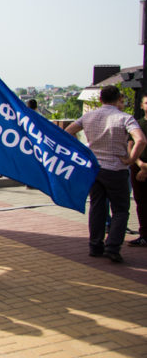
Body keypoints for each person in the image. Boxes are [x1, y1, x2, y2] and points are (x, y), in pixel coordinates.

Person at [65, 85, 146, 262]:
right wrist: (131, 159)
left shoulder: (88, 116)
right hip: (116, 168)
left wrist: (81, 152)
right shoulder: (125, 118)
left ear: (100, 99)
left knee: (97, 207)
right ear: (118, 100)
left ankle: (95, 245)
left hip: (95, 168)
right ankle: (113, 247)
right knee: (120, 209)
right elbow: (140, 140)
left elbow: (68, 132)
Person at [128, 94, 147, 247]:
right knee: (141, 203)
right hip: (138, 167)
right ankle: (144, 235)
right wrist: (141, 164)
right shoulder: (136, 125)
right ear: (141, 105)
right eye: (146, 103)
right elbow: (130, 146)